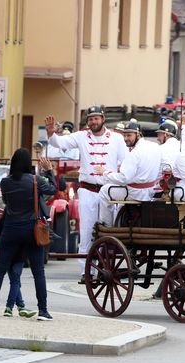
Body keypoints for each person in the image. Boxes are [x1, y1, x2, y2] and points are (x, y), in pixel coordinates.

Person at [45, 106, 126, 282]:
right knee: (87, 231)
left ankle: (107, 268)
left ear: (103, 119)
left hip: (108, 191)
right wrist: (51, 134)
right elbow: (61, 143)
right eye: (90, 119)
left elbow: (126, 162)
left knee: (108, 230)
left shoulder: (117, 139)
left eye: (96, 118)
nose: (93, 122)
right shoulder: (81, 136)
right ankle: (86, 271)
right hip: (88, 190)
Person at [0, 149, 56, 321]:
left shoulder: (5, 182)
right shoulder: (35, 180)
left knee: (0, 268)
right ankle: (43, 311)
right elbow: (53, 189)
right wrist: (49, 171)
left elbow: (7, 203)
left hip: (10, 229)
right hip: (32, 229)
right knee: (38, 272)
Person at [97, 120, 162, 227]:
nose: (126, 138)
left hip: (135, 193)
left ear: (138, 134)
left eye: (129, 135)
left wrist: (105, 172)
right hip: (149, 191)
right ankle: (121, 218)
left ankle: (107, 227)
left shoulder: (134, 153)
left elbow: (123, 178)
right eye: (124, 135)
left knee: (104, 191)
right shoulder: (154, 146)